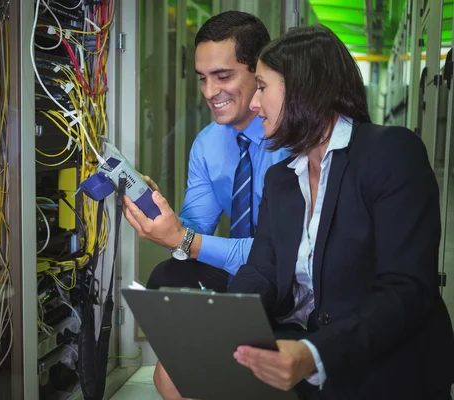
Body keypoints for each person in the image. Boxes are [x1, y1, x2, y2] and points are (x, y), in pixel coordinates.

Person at [228, 25, 454, 400]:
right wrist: (226, 319)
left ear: (303, 88)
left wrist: (314, 354)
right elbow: (262, 270)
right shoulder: (281, 179)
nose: (253, 103)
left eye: (263, 87)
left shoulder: (391, 154)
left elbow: (406, 289)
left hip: (382, 355)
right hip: (305, 340)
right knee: (175, 377)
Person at [122, 11, 289, 399]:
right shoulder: (208, 143)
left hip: (288, 278)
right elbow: (191, 236)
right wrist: (160, 215)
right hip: (239, 276)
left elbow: (281, 254)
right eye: (202, 78)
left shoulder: (292, 140)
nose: (209, 91)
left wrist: (184, 239)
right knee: (167, 278)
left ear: (260, 72)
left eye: (223, 76)